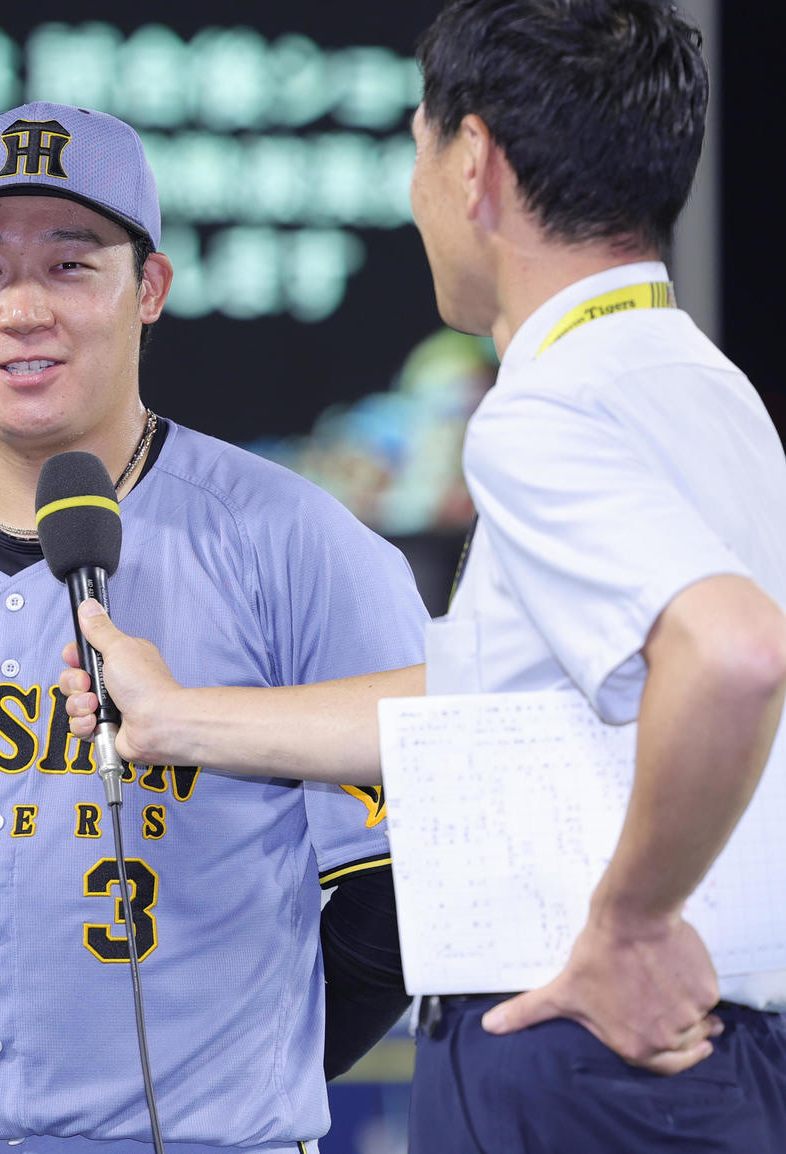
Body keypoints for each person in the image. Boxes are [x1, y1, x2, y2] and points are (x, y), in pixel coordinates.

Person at [59, 3, 786, 1151]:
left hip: (582, 1052)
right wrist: (178, 715)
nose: (411, 194)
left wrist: (631, 919)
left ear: (473, 160)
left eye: (413, 146)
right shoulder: (711, 393)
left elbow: (737, 651)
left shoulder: (543, 409)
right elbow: (493, 715)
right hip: (697, 1055)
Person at [0, 100, 429, 1154]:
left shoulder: (297, 545)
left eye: (70, 266)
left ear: (147, 288)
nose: (21, 309)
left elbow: (400, 893)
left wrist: (242, 1073)